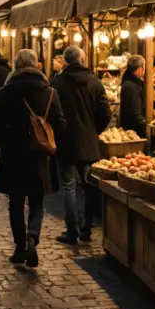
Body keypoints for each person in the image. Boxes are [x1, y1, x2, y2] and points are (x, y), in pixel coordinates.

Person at [0, 49, 66, 268]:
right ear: (37, 65)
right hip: (39, 155)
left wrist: (3, 142)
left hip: (13, 154)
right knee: (36, 199)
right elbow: (60, 123)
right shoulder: (49, 91)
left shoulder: (6, 91)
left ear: (16, 65)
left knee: (15, 202)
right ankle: (33, 235)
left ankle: (20, 246)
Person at [51, 45, 112, 244]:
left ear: (65, 61)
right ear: (83, 58)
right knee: (89, 186)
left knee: (68, 187)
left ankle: (72, 231)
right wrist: (94, 131)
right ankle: (87, 228)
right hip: (88, 142)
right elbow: (105, 113)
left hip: (65, 142)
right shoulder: (94, 82)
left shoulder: (57, 83)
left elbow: (51, 114)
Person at [120, 54, 147, 138]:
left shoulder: (130, 83)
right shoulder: (131, 86)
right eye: (144, 67)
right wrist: (144, 126)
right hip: (134, 130)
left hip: (132, 128)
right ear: (139, 69)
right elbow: (136, 111)